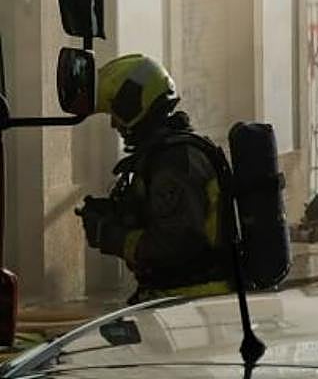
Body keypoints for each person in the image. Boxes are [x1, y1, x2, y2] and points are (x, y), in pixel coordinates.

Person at [77, 54, 232, 302]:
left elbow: (176, 243)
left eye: (116, 113)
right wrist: (118, 214)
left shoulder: (174, 162)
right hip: (178, 297)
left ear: (132, 104)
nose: (114, 125)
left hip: (192, 301)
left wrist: (110, 235)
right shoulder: (166, 155)